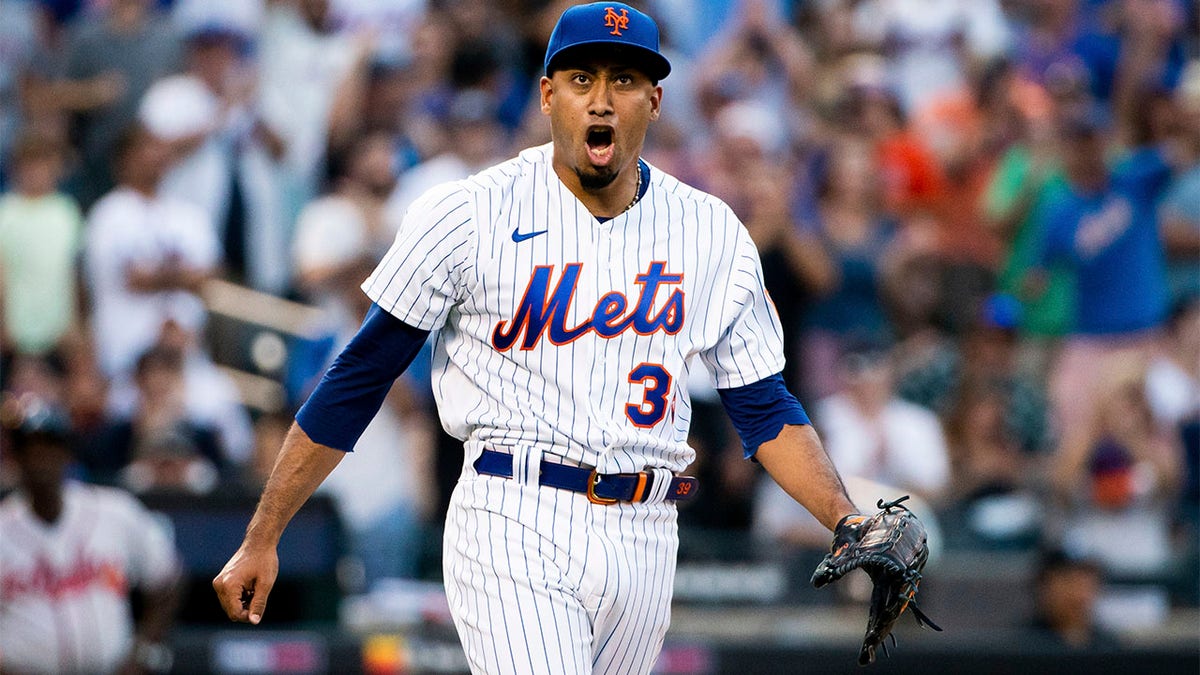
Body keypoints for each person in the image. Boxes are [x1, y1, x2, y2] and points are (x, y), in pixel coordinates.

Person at [213, 4, 864, 673]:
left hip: (646, 527)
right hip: (513, 509)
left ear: (657, 100)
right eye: (582, 79)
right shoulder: (469, 212)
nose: (603, 100)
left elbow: (762, 405)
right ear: (548, 95)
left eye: (626, 81)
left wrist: (845, 516)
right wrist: (264, 533)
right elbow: (359, 376)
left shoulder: (709, 230)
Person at [0, 396, 181, 674]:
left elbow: (169, 579)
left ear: (65, 453)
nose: (39, 459)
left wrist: (143, 651)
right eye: (29, 449)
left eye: (48, 446)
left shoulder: (114, 510)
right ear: (17, 457)